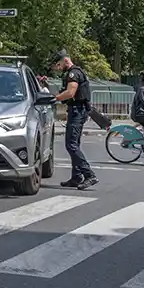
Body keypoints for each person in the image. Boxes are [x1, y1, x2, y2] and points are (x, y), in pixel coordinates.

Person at [50, 49, 97, 190]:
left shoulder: (73, 73)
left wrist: (55, 98)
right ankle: (76, 177)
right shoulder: (76, 72)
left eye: (58, 65)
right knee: (74, 144)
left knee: (71, 145)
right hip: (78, 110)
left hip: (77, 111)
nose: (58, 68)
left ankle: (89, 175)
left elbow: (71, 93)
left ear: (65, 60)